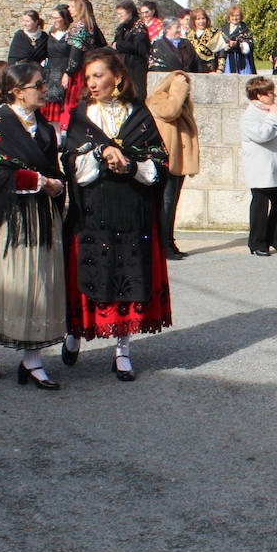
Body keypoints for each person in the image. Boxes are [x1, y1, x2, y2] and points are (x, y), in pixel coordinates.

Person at [60, 48, 172, 381]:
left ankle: (122, 350)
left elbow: (159, 161)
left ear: (117, 77)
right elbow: (69, 163)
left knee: (129, 278)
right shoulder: (82, 115)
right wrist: (98, 153)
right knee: (89, 276)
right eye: (88, 77)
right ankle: (75, 331)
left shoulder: (139, 114)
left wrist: (132, 165)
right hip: (92, 211)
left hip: (131, 209)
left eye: (98, 76)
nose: (92, 83)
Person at [0, 61, 67, 390]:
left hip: (40, 217)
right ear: (18, 92)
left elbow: (54, 168)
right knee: (4, 283)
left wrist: (58, 183)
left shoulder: (46, 128)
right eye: (38, 85)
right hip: (7, 219)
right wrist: (38, 180)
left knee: (37, 283)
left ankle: (32, 361)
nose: (44, 90)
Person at [145, 70, 199, 261]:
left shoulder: (180, 102)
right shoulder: (158, 99)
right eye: (180, 82)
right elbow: (169, 112)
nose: (185, 86)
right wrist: (178, 87)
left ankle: (169, 241)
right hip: (165, 160)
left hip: (177, 161)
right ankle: (163, 244)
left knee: (172, 203)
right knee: (165, 204)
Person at [240, 76, 277, 256]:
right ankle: (258, 243)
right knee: (260, 207)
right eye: (270, 93)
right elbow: (262, 135)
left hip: (276, 164)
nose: (274, 96)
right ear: (260, 95)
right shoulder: (250, 115)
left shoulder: (272, 111)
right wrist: (273, 117)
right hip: (260, 167)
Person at [50, 0, 106, 130]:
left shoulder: (79, 25)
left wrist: (69, 72)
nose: (69, 9)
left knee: (74, 102)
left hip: (79, 71)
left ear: (79, 8)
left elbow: (75, 52)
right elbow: (102, 44)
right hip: (89, 67)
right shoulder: (91, 24)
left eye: (72, 6)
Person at [112, 0, 152, 98]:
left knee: (136, 95)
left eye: (121, 14)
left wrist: (118, 45)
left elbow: (138, 47)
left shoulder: (139, 27)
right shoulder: (122, 28)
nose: (119, 16)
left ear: (129, 12)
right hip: (124, 67)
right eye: (117, 14)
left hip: (135, 68)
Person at [42, 7, 72, 122]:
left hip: (63, 72)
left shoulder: (71, 34)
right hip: (50, 73)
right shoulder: (50, 34)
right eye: (53, 17)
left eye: (57, 18)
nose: (54, 20)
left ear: (64, 18)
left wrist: (68, 73)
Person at [219, 6, 255, 75]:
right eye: (232, 15)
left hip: (242, 60)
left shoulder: (245, 29)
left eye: (237, 16)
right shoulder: (223, 29)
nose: (235, 18)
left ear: (241, 16)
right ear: (229, 17)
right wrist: (226, 45)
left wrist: (239, 44)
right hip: (228, 60)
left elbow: (250, 45)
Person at [186, 8, 222, 73]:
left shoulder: (215, 33)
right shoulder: (188, 35)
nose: (201, 21)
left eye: (203, 18)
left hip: (211, 69)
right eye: (198, 19)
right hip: (193, 69)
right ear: (193, 21)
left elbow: (221, 52)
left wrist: (220, 69)